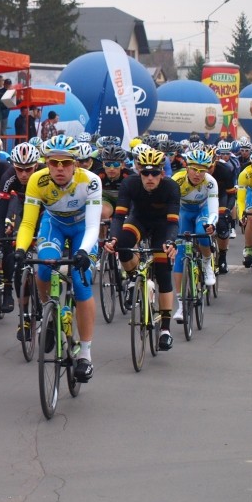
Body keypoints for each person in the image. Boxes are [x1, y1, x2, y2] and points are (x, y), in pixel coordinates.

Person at [13, 135, 101, 382]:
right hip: (54, 225)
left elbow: (93, 226)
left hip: (83, 229)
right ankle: (48, 313)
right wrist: (20, 249)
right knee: (44, 268)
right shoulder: (36, 180)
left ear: (75, 163)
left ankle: (85, 355)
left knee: (80, 282)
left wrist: (82, 252)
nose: (60, 168)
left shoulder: (90, 181)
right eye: (54, 163)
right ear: (47, 163)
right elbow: (28, 222)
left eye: (65, 163)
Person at [104, 148, 180, 352]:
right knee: (122, 244)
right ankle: (133, 278)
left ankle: (165, 329)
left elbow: (173, 223)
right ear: (139, 172)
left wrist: (171, 242)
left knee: (163, 271)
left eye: (154, 173)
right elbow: (119, 216)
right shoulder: (130, 184)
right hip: (138, 221)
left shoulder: (171, 187)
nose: (150, 177)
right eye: (145, 173)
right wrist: (113, 237)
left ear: (162, 173)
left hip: (162, 226)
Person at [0, 142, 41, 320]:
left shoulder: (45, 174)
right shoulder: (8, 177)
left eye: (28, 169)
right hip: (22, 209)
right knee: (14, 254)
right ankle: (22, 312)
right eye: (19, 169)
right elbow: (0, 211)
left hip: (43, 209)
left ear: (36, 165)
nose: (23, 174)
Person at [171, 150, 219, 324]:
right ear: (187, 168)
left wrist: (211, 224)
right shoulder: (176, 180)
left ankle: (206, 263)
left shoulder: (210, 182)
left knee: (203, 232)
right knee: (179, 256)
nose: (198, 174)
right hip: (184, 213)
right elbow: (170, 207)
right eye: (194, 169)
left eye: (202, 170)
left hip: (202, 211)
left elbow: (213, 209)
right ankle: (181, 305)